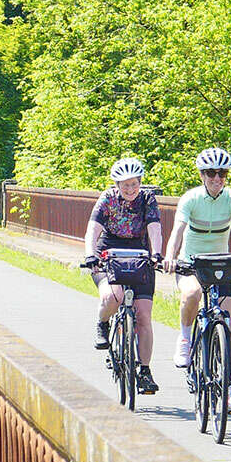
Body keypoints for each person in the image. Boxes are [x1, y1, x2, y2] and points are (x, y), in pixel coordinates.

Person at [162, 147, 231, 413]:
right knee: (192, 295)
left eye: (222, 173)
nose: (217, 178)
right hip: (191, 263)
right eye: (211, 173)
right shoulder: (191, 199)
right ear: (201, 175)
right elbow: (177, 231)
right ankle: (185, 339)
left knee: (228, 324)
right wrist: (170, 256)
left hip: (221, 264)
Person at [83, 156, 163, 394]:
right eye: (125, 184)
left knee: (143, 315)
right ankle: (103, 322)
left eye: (134, 183)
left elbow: (155, 228)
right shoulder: (107, 198)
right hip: (109, 250)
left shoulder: (148, 198)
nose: (130, 189)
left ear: (140, 182)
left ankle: (145, 370)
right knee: (113, 297)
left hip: (139, 252)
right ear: (117, 184)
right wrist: (90, 255)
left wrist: (156, 253)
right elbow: (93, 229)